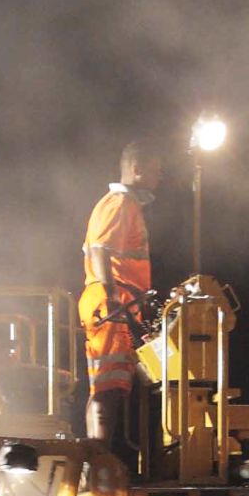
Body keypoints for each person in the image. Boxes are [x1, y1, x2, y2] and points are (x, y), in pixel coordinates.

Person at [79, 139, 163, 456]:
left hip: (117, 302)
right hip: (112, 302)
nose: (160, 177)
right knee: (108, 386)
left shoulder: (124, 205)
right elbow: (101, 249)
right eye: (156, 170)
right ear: (137, 169)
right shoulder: (120, 203)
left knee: (111, 385)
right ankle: (98, 455)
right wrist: (114, 298)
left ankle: (100, 452)